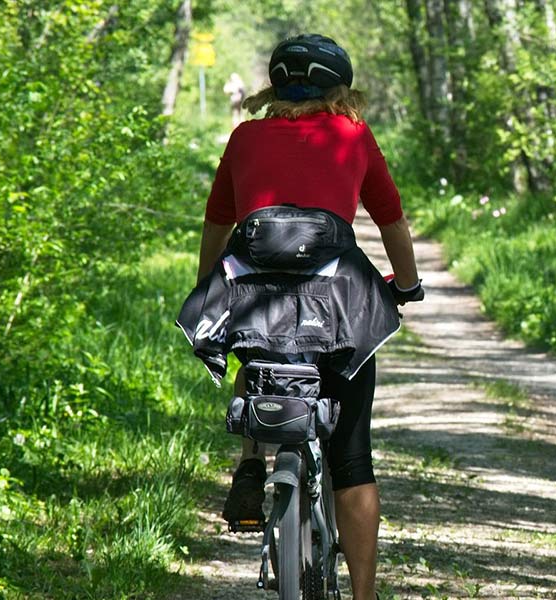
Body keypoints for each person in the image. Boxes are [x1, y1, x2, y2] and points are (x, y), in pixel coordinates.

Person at [193, 34, 423, 600]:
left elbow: (218, 228)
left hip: (255, 299)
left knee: (253, 350)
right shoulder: (353, 135)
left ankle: (251, 456)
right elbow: (390, 221)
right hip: (338, 307)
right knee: (352, 457)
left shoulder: (244, 137)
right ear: (339, 88)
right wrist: (408, 285)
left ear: (276, 86)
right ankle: (364, 595)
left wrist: (208, 289)